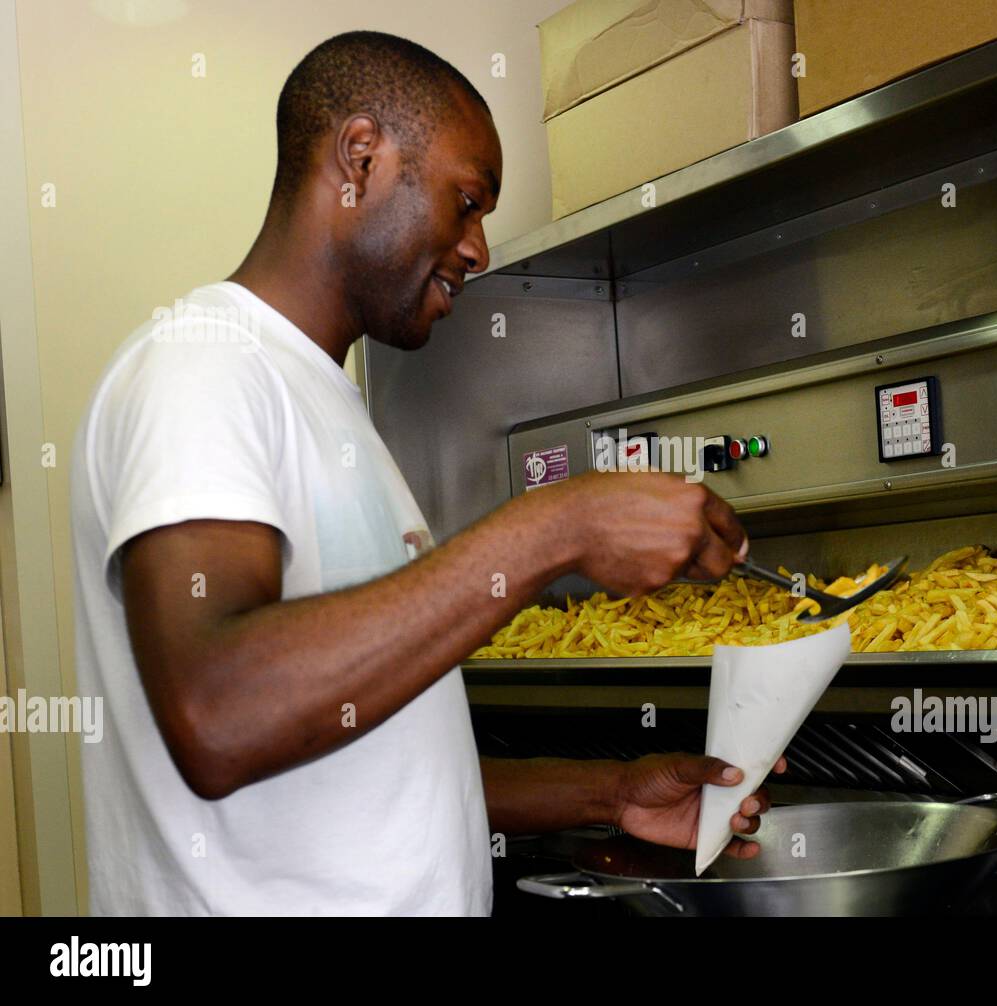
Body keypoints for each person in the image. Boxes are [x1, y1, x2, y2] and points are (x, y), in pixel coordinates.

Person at [70, 30, 779, 917]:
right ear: (360, 158)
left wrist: (611, 794)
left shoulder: (326, 401)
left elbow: (372, 754)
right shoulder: (202, 367)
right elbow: (219, 717)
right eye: (466, 200)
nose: (478, 249)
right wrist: (559, 526)